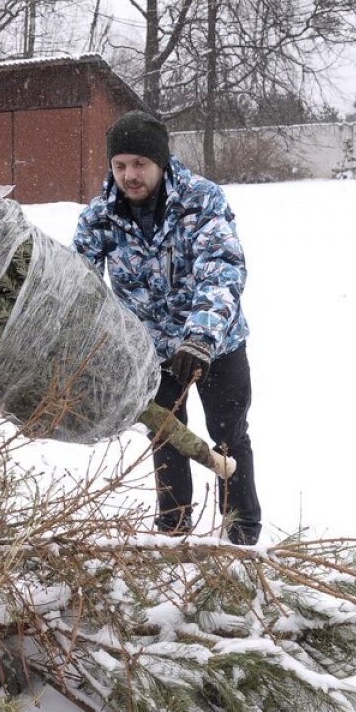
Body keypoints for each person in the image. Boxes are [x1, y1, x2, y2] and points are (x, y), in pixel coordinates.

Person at [72, 110, 261, 546]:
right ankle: (172, 532)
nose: (129, 175)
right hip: (151, 349)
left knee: (229, 437)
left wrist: (200, 337)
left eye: (139, 164)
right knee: (165, 435)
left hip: (216, 344)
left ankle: (242, 535)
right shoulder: (100, 217)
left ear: (160, 161)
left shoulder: (200, 200)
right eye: (119, 166)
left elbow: (222, 267)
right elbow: (79, 280)